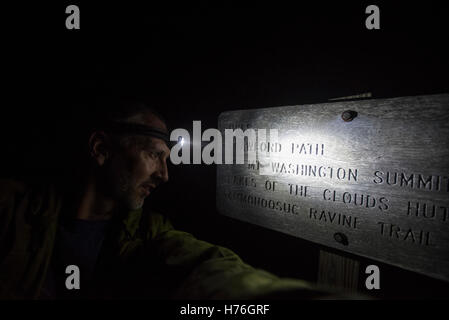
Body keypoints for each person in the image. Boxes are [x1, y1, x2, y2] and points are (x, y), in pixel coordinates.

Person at [0, 98, 336, 299]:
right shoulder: (14, 209)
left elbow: (210, 267)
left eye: (167, 159)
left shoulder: (148, 233)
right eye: (153, 155)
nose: (164, 174)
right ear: (101, 149)